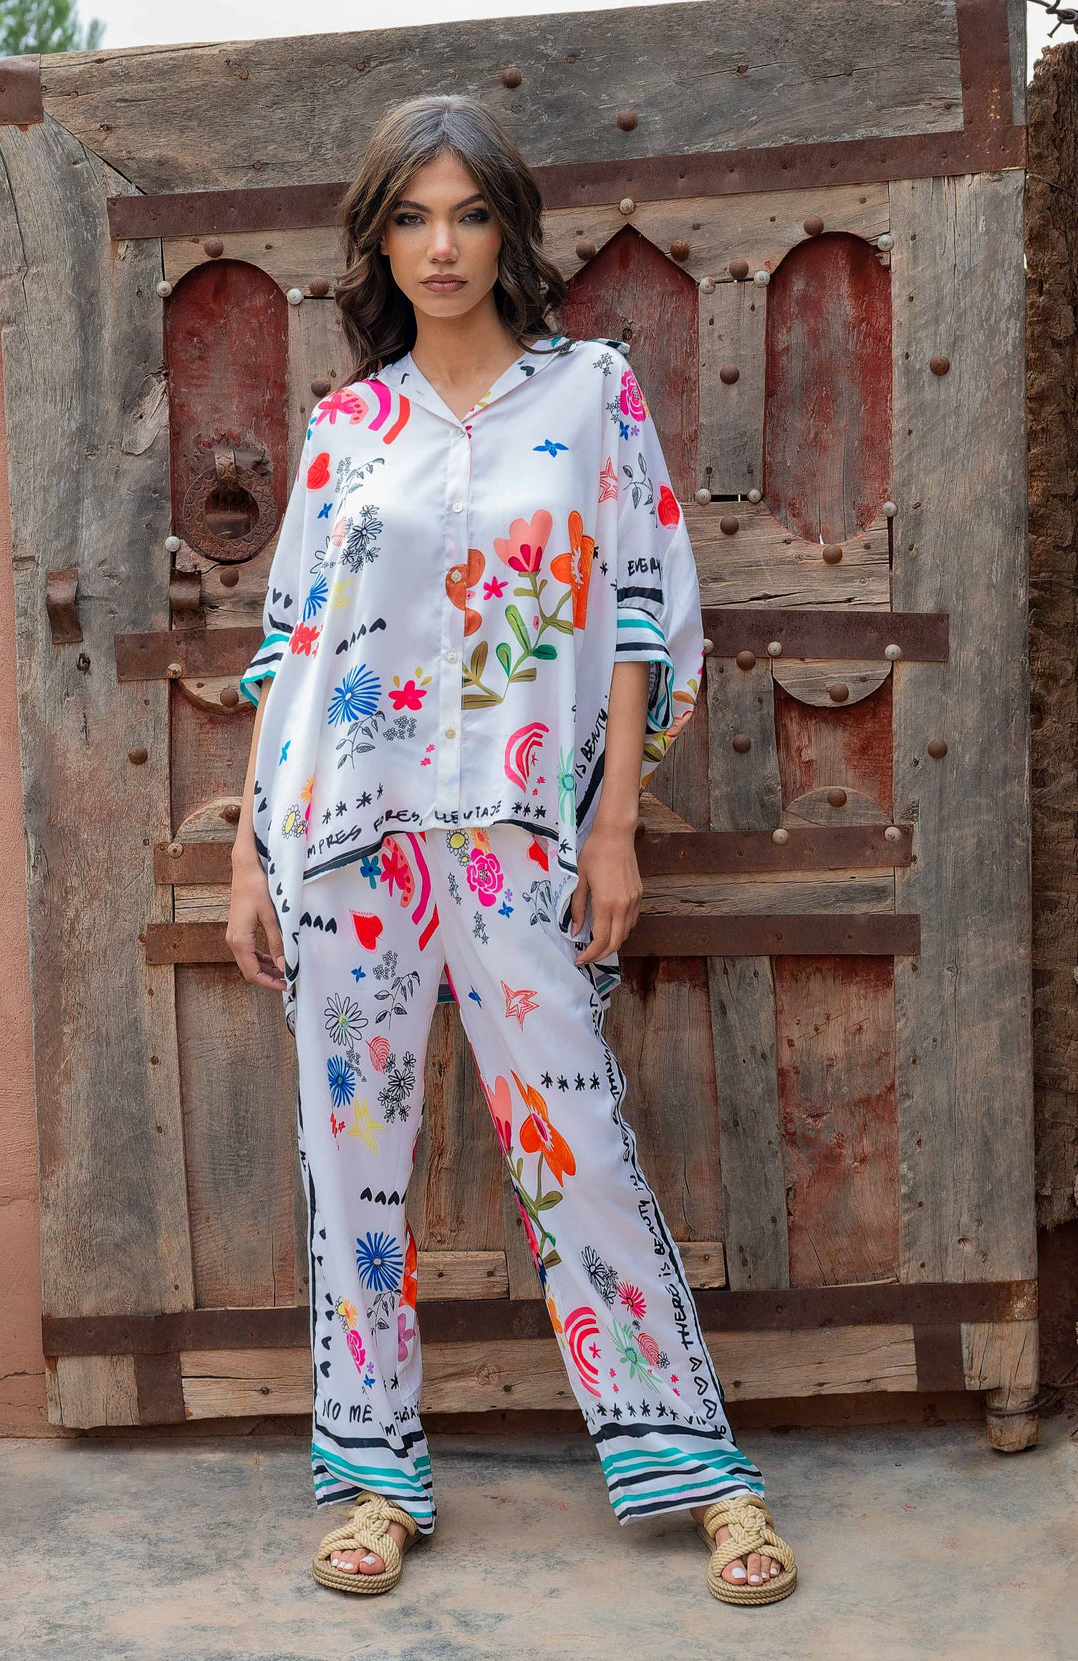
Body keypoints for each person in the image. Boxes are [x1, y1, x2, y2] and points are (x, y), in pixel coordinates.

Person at [227, 91, 797, 1608]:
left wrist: (614, 826)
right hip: (347, 847)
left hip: (518, 841)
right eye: (412, 218)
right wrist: (246, 855)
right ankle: (372, 1476)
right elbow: (290, 650)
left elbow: (642, 605)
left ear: (509, 231)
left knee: (579, 1151)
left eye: (470, 214)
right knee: (351, 1171)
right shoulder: (346, 430)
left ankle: (704, 1469)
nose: (443, 246)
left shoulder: (591, 394)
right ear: (377, 243)